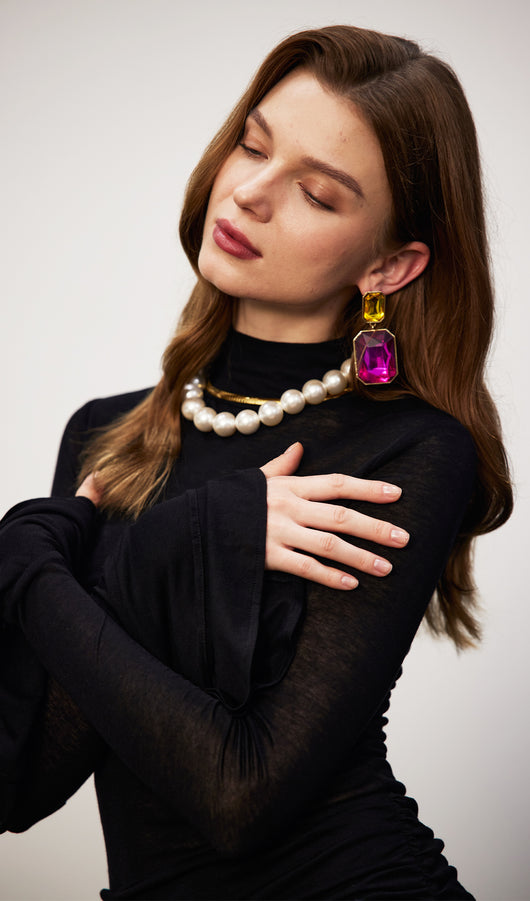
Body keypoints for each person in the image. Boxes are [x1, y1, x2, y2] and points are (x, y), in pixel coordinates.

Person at [0, 24, 512, 900]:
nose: (248, 193)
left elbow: (239, 796)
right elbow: (19, 783)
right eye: (252, 145)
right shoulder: (105, 436)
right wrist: (149, 549)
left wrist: (37, 565)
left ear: (390, 265)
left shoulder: (411, 451)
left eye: (316, 192)